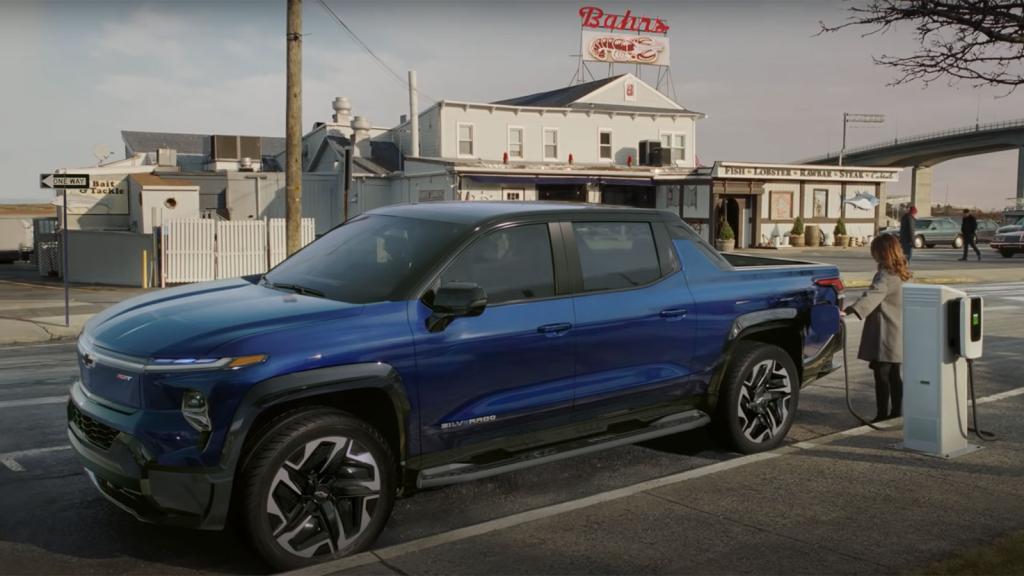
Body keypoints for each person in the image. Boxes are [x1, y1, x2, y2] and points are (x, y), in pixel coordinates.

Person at [844, 234, 912, 422]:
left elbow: (873, 295)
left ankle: (882, 415)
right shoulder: (901, 270)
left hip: (885, 332)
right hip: (897, 330)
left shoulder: (885, 274)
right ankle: (897, 411)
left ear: (881, 252)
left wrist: (850, 310)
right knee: (893, 374)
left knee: (881, 375)